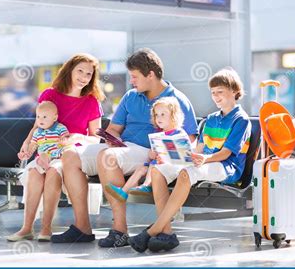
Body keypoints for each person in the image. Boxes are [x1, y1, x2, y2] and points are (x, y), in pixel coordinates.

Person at [51, 48, 198, 247]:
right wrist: (112, 138)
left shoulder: (177, 100)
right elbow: (113, 129)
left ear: (151, 75)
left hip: (150, 152)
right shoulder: (131, 96)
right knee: (70, 155)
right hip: (124, 148)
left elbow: (189, 140)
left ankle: (119, 231)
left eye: (135, 76)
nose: (132, 81)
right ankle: (82, 228)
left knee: (107, 156)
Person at [129, 68, 252, 252]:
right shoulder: (211, 119)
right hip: (204, 162)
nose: (216, 97)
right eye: (213, 93)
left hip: (226, 167)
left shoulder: (241, 120)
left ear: (234, 91)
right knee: (157, 170)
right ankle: (167, 233)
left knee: (187, 173)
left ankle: (152, 230)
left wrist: (203, 159)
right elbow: (199, 148)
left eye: (220, 92)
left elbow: (226, 153)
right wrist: (181, 154)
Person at [7, 53, 104, 242]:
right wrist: (27, 144)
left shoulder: (92, 101)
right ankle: (26, 228)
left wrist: (78, 137)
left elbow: (96, 138)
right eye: (80, 71)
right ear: (69, 70)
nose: (84, 77)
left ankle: (46, 229)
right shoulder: (50, 95)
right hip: (45, 152)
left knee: (53, 172)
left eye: (88, 74)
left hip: (70, 155)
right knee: (35, 173)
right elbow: (38, 126)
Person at [104, 96, 186, 201]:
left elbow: (184, 153)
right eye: (156, 115)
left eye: (163, 114)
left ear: (173, 116)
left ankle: (146, 185)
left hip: (171, 166)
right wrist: (152, 154)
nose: (159, 118)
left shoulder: (179, 133)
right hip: (156, 164)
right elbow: (152, 155)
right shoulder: (158, 134)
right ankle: (123, 192)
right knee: (141, 169)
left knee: (152, 167)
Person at [22, 101, 71, 174]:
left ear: (54, 118)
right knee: (42, 156)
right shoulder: (37, 132)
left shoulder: (60, 127)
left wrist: (64, 140)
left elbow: (67, 137)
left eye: (44, 117)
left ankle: (48, 166)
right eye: (38, 116)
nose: (40, 119)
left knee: (67, 152)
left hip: (58, 153)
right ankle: (45, 166)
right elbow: (33, 144)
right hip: (45, 155)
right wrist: (28, 152)